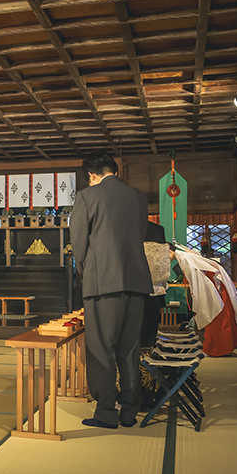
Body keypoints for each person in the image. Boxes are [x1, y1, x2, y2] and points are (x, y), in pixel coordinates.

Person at [70, 152, 153, 429]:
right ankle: (129, 411)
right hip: (137, 281)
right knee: (130, 349)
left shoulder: (86, 197)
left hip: (103, 283)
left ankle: (106, 412)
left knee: (101, 348)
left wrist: (87, 275)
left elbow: (79, 245)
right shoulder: (138, 197)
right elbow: (140, 234)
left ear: (91, 174)